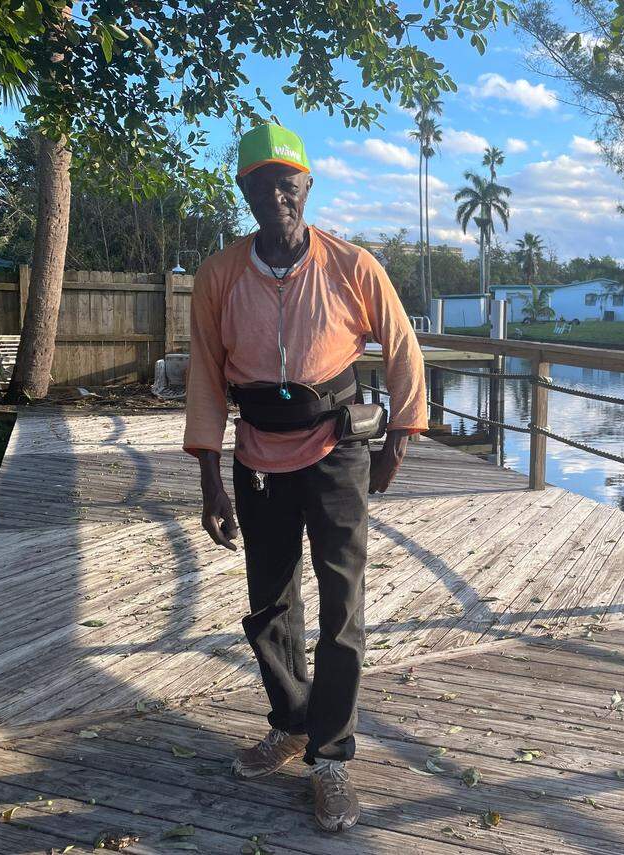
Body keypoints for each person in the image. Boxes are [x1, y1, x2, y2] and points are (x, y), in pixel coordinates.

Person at [182, 123, 428, 833]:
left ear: (307, 188)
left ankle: (332, 757)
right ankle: (290, 724)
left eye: (287, 184)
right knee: (269, 602)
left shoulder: (352, 265)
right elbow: (204, 370)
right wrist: (210, 477)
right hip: (257, 454)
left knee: (342, 602)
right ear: (246, 193)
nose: (276, 198)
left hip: (336, 450)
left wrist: (399, 442)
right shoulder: (220, 274)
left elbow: (403, 345)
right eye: (261, 186)